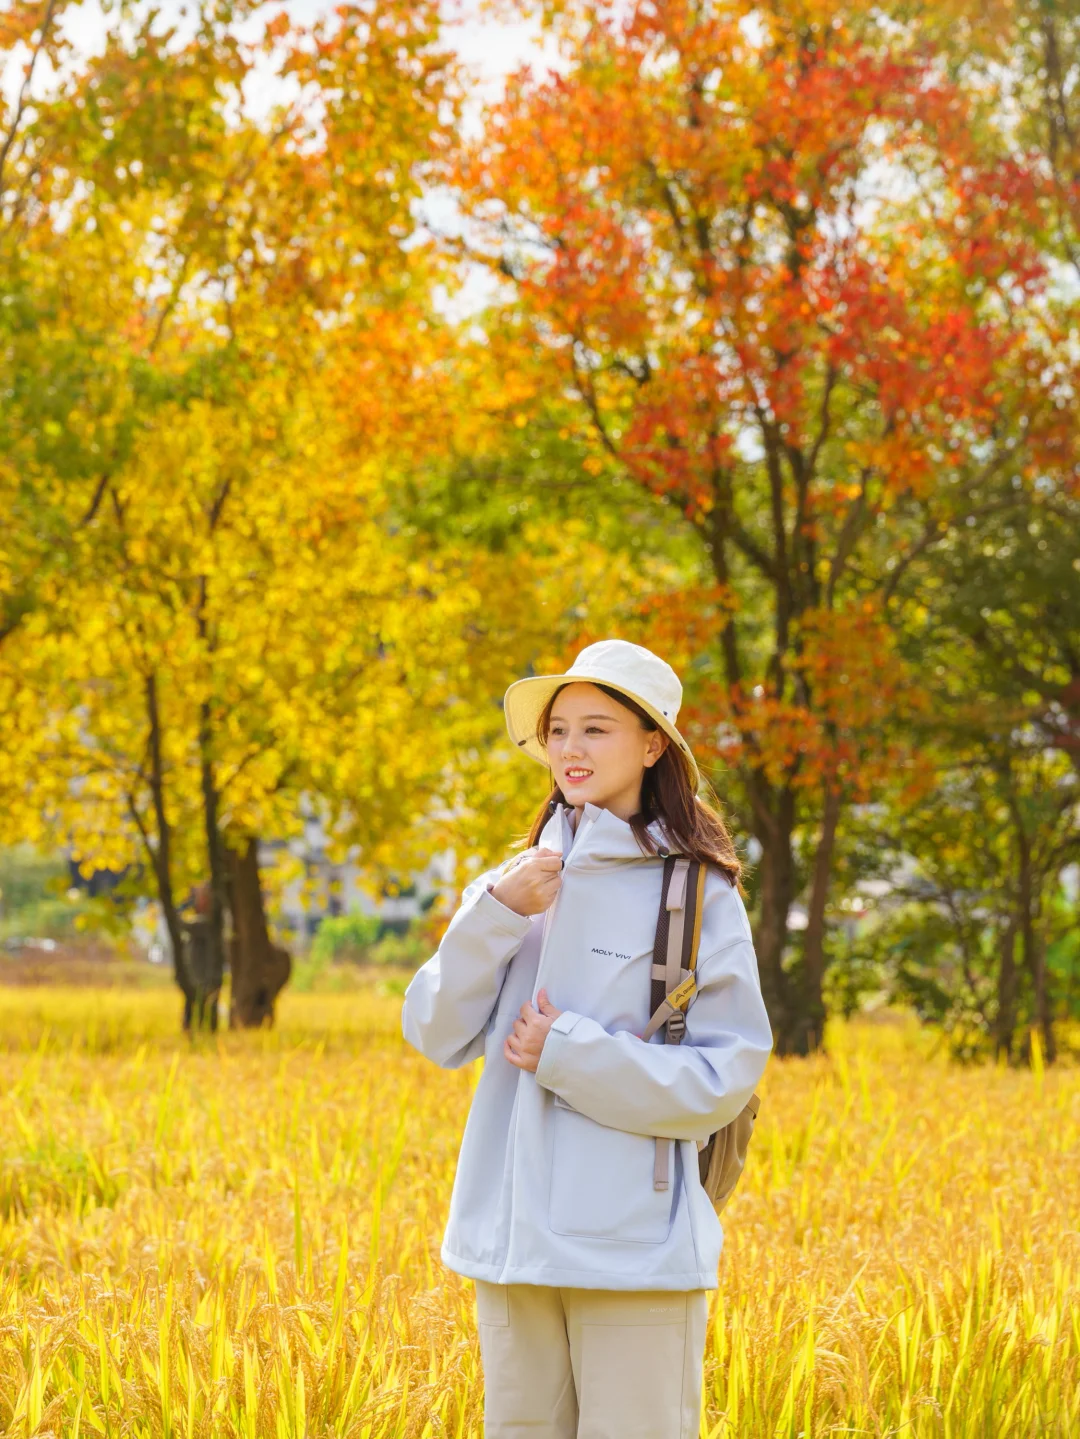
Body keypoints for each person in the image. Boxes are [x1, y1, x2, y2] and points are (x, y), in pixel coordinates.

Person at [402, 639, 772, 1438]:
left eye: (596, 728)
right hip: (511, 1245)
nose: (571, 748)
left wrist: (568, 1054)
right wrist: (497, 914)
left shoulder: (698, 892)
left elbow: (727, 1072)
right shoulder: (510, 884)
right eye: (558, 730)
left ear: (653, 745)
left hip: (633, 1247)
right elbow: (434, 1031)